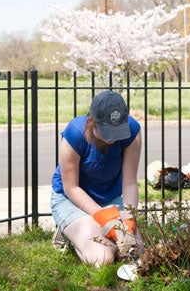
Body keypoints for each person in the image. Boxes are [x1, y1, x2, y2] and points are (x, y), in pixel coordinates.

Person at [50, 90, 142, 267]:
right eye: (108, 131)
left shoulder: (132, 131)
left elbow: (129, 182)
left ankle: (86, 229)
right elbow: (71, 188)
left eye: (118, 131)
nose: (114, 138)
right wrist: (105, 217)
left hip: (109, 199)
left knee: (135, 253)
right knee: (104, 258)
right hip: (71, 200)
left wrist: (130, 218)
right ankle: (70, 233)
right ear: (92, 121)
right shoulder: (75, 134)